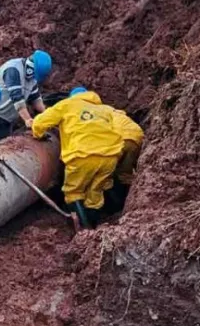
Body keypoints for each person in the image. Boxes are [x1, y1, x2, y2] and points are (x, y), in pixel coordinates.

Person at [31, 87, 144, 229]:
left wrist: (38, 134)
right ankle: (97, 222)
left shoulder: (67, 105)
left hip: (81, 156)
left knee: (73, 192)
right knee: (95, 191)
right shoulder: (103, 109)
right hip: (109, 156)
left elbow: (40, 122)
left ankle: (85, 230)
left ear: (72, 97)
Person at [0, 50, 53, 142]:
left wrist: (50, 116)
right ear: (31, 65)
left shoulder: (32, 79)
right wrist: (28, 120)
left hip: (5, 119)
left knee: (2, 146)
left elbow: (36, 100)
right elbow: (17, 98)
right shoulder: (13, 69)